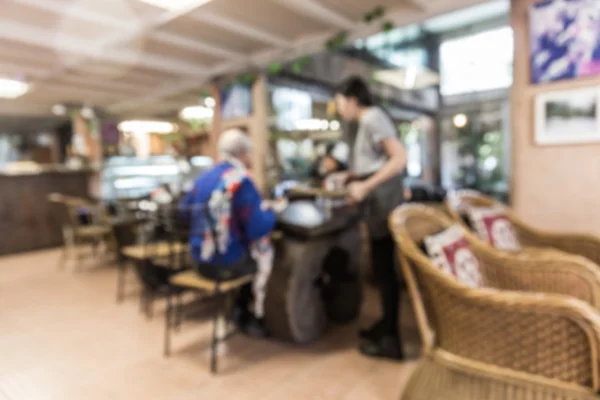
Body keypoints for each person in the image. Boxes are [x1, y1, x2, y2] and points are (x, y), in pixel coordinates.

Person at [180, 129, 285, 337]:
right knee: (263, 259)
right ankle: (249, 314)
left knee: (240, 252)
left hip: (198, 261)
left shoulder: (203, 179)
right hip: (225, 266)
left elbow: (183, 214)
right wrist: (272, 212)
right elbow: (257, 228)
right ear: (244, 154)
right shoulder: (241, 181)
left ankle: (238, 310)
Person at [334, 76, 407, 360]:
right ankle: (386, 326)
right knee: (380, 269)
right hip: (378, 201)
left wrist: (364, 185)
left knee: (385, 270)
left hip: (384, 201)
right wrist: (351, 176)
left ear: (352, 99)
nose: (340, 109)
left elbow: (398, 159)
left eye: (340, 103)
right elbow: (374, 162)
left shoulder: (373, 117)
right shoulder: (365, 122)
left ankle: (392, 340)